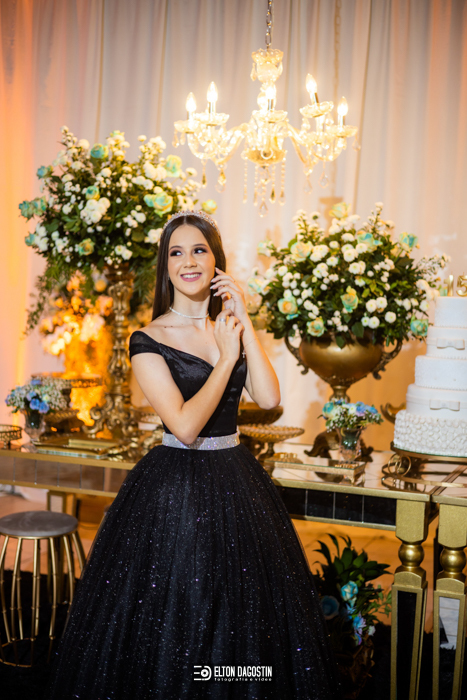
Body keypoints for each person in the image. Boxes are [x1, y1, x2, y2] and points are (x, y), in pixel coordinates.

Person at [46, 210, 342, 699]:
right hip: (176, 489)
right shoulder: (148, 339)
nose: (188, 261)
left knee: (239, 610)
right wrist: (226, 359)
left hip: (236, 476)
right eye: (176, 252)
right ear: (165, 266)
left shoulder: (227, 327)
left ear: (216, 261)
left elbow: (270, 398)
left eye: (199, 250)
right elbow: (183, 427)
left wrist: (243, 322)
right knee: (181, 606)